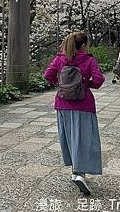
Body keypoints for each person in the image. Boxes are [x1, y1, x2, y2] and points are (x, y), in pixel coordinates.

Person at [44, 31, 104, 195]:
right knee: (84, 139)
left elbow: (48, 75)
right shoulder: (89, 59)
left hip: (62, 104)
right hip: (83, 104)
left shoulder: (60, 58)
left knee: (70, 138)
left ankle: (75, 171)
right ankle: (79, 173)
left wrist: (61, 85)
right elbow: (99, 80)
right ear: (83, 45)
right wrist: (85, 84)